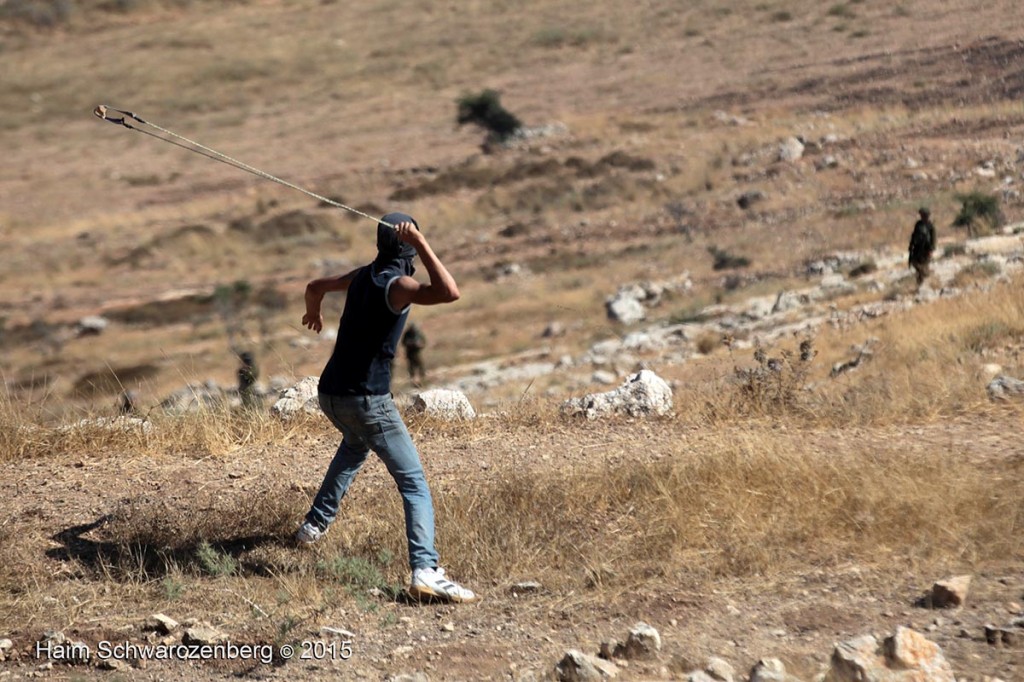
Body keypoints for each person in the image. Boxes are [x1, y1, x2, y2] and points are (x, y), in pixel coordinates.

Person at [295, 212, 478, 604]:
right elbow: (449, 292)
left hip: (330, 394)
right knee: (414, 483)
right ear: (406, 248)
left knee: (354, 446)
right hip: (366, 399)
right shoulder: (399, 285)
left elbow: (314, 286)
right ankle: (426, 570)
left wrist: (314, 311)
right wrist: (424, 244)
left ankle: (312, 527)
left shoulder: (362, 275)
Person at [908, 207, 936, 288]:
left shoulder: (930, 226)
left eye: (924, 215)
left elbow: (933, 239)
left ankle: (924, 282)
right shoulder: (918, 224)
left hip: (926, 249)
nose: (922, 216)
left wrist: (931, 249)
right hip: (917, 249)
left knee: (924, 266)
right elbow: (914, 235)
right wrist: (911, 245)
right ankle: (921, 281)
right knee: (915, 263)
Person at [402, 322, 428, 386]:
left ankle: (422, 378)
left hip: (417, 352)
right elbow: (404, 342)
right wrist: (410, 344)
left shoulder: (418, 333)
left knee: (420, 365)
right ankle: (413, 379)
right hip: (410, 353)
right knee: (411, 366)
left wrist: (419, 344)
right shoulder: (407, 334)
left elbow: (423, 341)